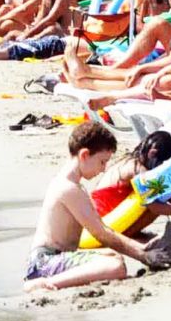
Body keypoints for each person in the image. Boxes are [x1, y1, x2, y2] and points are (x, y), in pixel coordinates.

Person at [23, 121, 151, 292]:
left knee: (111, 256)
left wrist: (140, 248)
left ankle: (51, 279)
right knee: (116, 266)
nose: (104, 169)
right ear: (84, 155)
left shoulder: (71, 184)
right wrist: (142, 255)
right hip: (45, 262)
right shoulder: (68, 188)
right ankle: (46, 283)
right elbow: (102, 233)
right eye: (102, 162)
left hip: (54, 257)